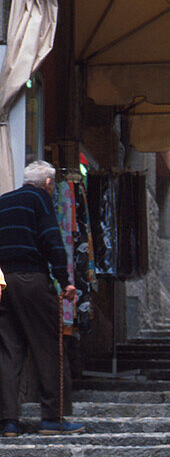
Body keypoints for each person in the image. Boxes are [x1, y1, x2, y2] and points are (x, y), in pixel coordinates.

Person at [0, 161, 81, 438]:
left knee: (9, 351)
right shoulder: (40, 199)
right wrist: (65, 281)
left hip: (3, 281)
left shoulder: (4, 201)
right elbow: (51, 239)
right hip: (32, 278)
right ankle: (52, 418)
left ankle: (9, 421)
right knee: (49, 345)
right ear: (48, 183)